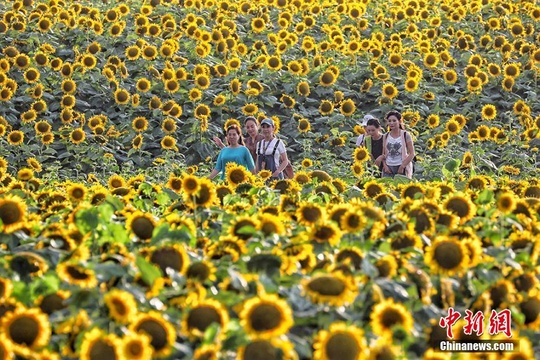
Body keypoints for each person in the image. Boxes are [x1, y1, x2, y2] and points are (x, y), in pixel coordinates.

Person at [381, 110, 415, 178]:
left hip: (401, 167)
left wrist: (403, 166)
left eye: (394, 120)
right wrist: (385, 166)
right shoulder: (386, 136)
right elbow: (383, 154)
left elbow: (412, 154)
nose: (391, 123)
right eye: (389, 121)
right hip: (388, 168)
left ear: (399, 121)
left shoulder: (406, 135)